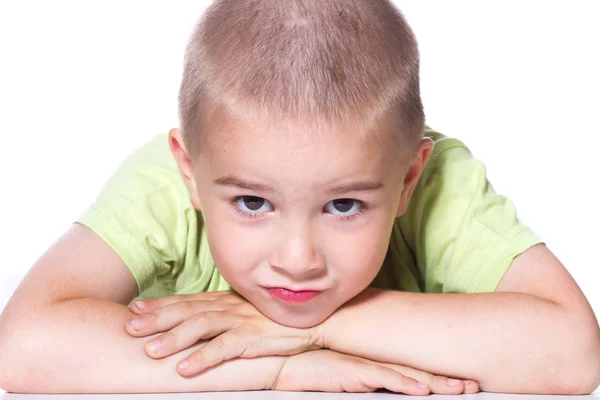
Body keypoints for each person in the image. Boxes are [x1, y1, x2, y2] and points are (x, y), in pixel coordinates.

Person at [1, 0, 599, 395]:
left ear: (408, 179)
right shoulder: (168, 181)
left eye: (344, 206)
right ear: (190, 170)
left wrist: (322, 328)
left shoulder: (438, 182)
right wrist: (284, 365)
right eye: (252, 204)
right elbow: (22, 348)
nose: (296, 259)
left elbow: (573, 355)